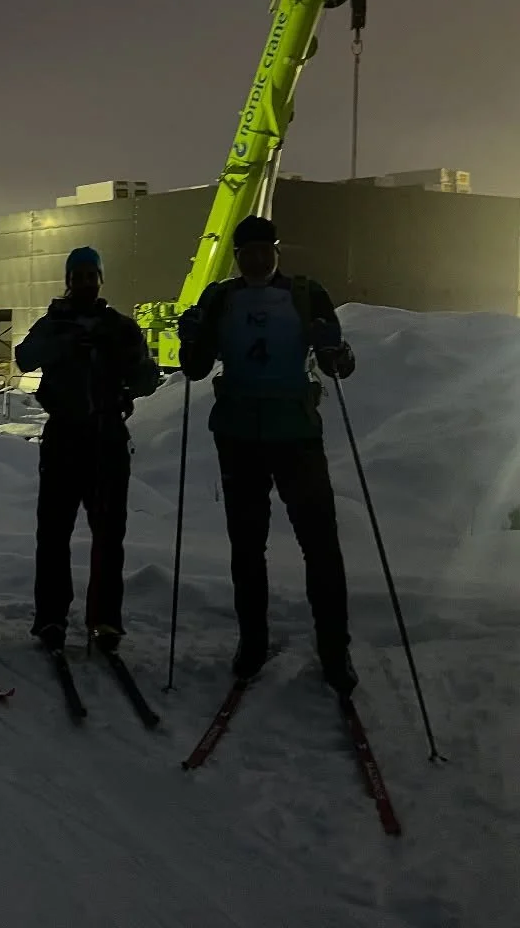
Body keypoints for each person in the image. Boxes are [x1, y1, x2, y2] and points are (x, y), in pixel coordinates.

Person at [177, 214, 359, 695]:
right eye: (248, 251)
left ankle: (334, 647)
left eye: (265, 250)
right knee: (247, 545)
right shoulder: (220, 298)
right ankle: (253, 640)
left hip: (295, 432)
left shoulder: (305, 294)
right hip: (239, 436)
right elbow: (194, 369)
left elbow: (336, 364)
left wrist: (336, 351)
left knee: (320, 542)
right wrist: (189, 337)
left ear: (276, 251)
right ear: (237, 256)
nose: (258, 258)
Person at [13, 246, 157, 653]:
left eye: (91, 276)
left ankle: (106, 619)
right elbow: (24, 358)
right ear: (68, 280)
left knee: (110, 535)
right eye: (78, 277)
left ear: (100, 279)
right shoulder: (53, 323)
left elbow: (145, 381)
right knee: (54, 533)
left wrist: (132, 358)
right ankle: (51, 617)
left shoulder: (119, 326)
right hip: (63, 437)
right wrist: (60, 342)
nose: (84, 283)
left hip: (107, 437)